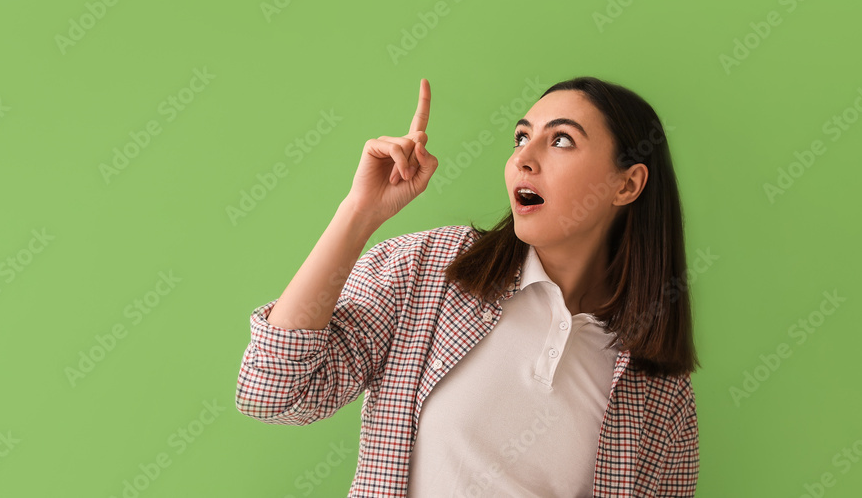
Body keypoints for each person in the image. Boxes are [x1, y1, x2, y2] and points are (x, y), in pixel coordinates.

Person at [235, 76, 699, 497]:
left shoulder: (656, 383)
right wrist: (359, 213)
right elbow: (274, 393)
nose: (524, 158)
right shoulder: (432, 269)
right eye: (521, 137)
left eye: (560, 140)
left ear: (627, 184)